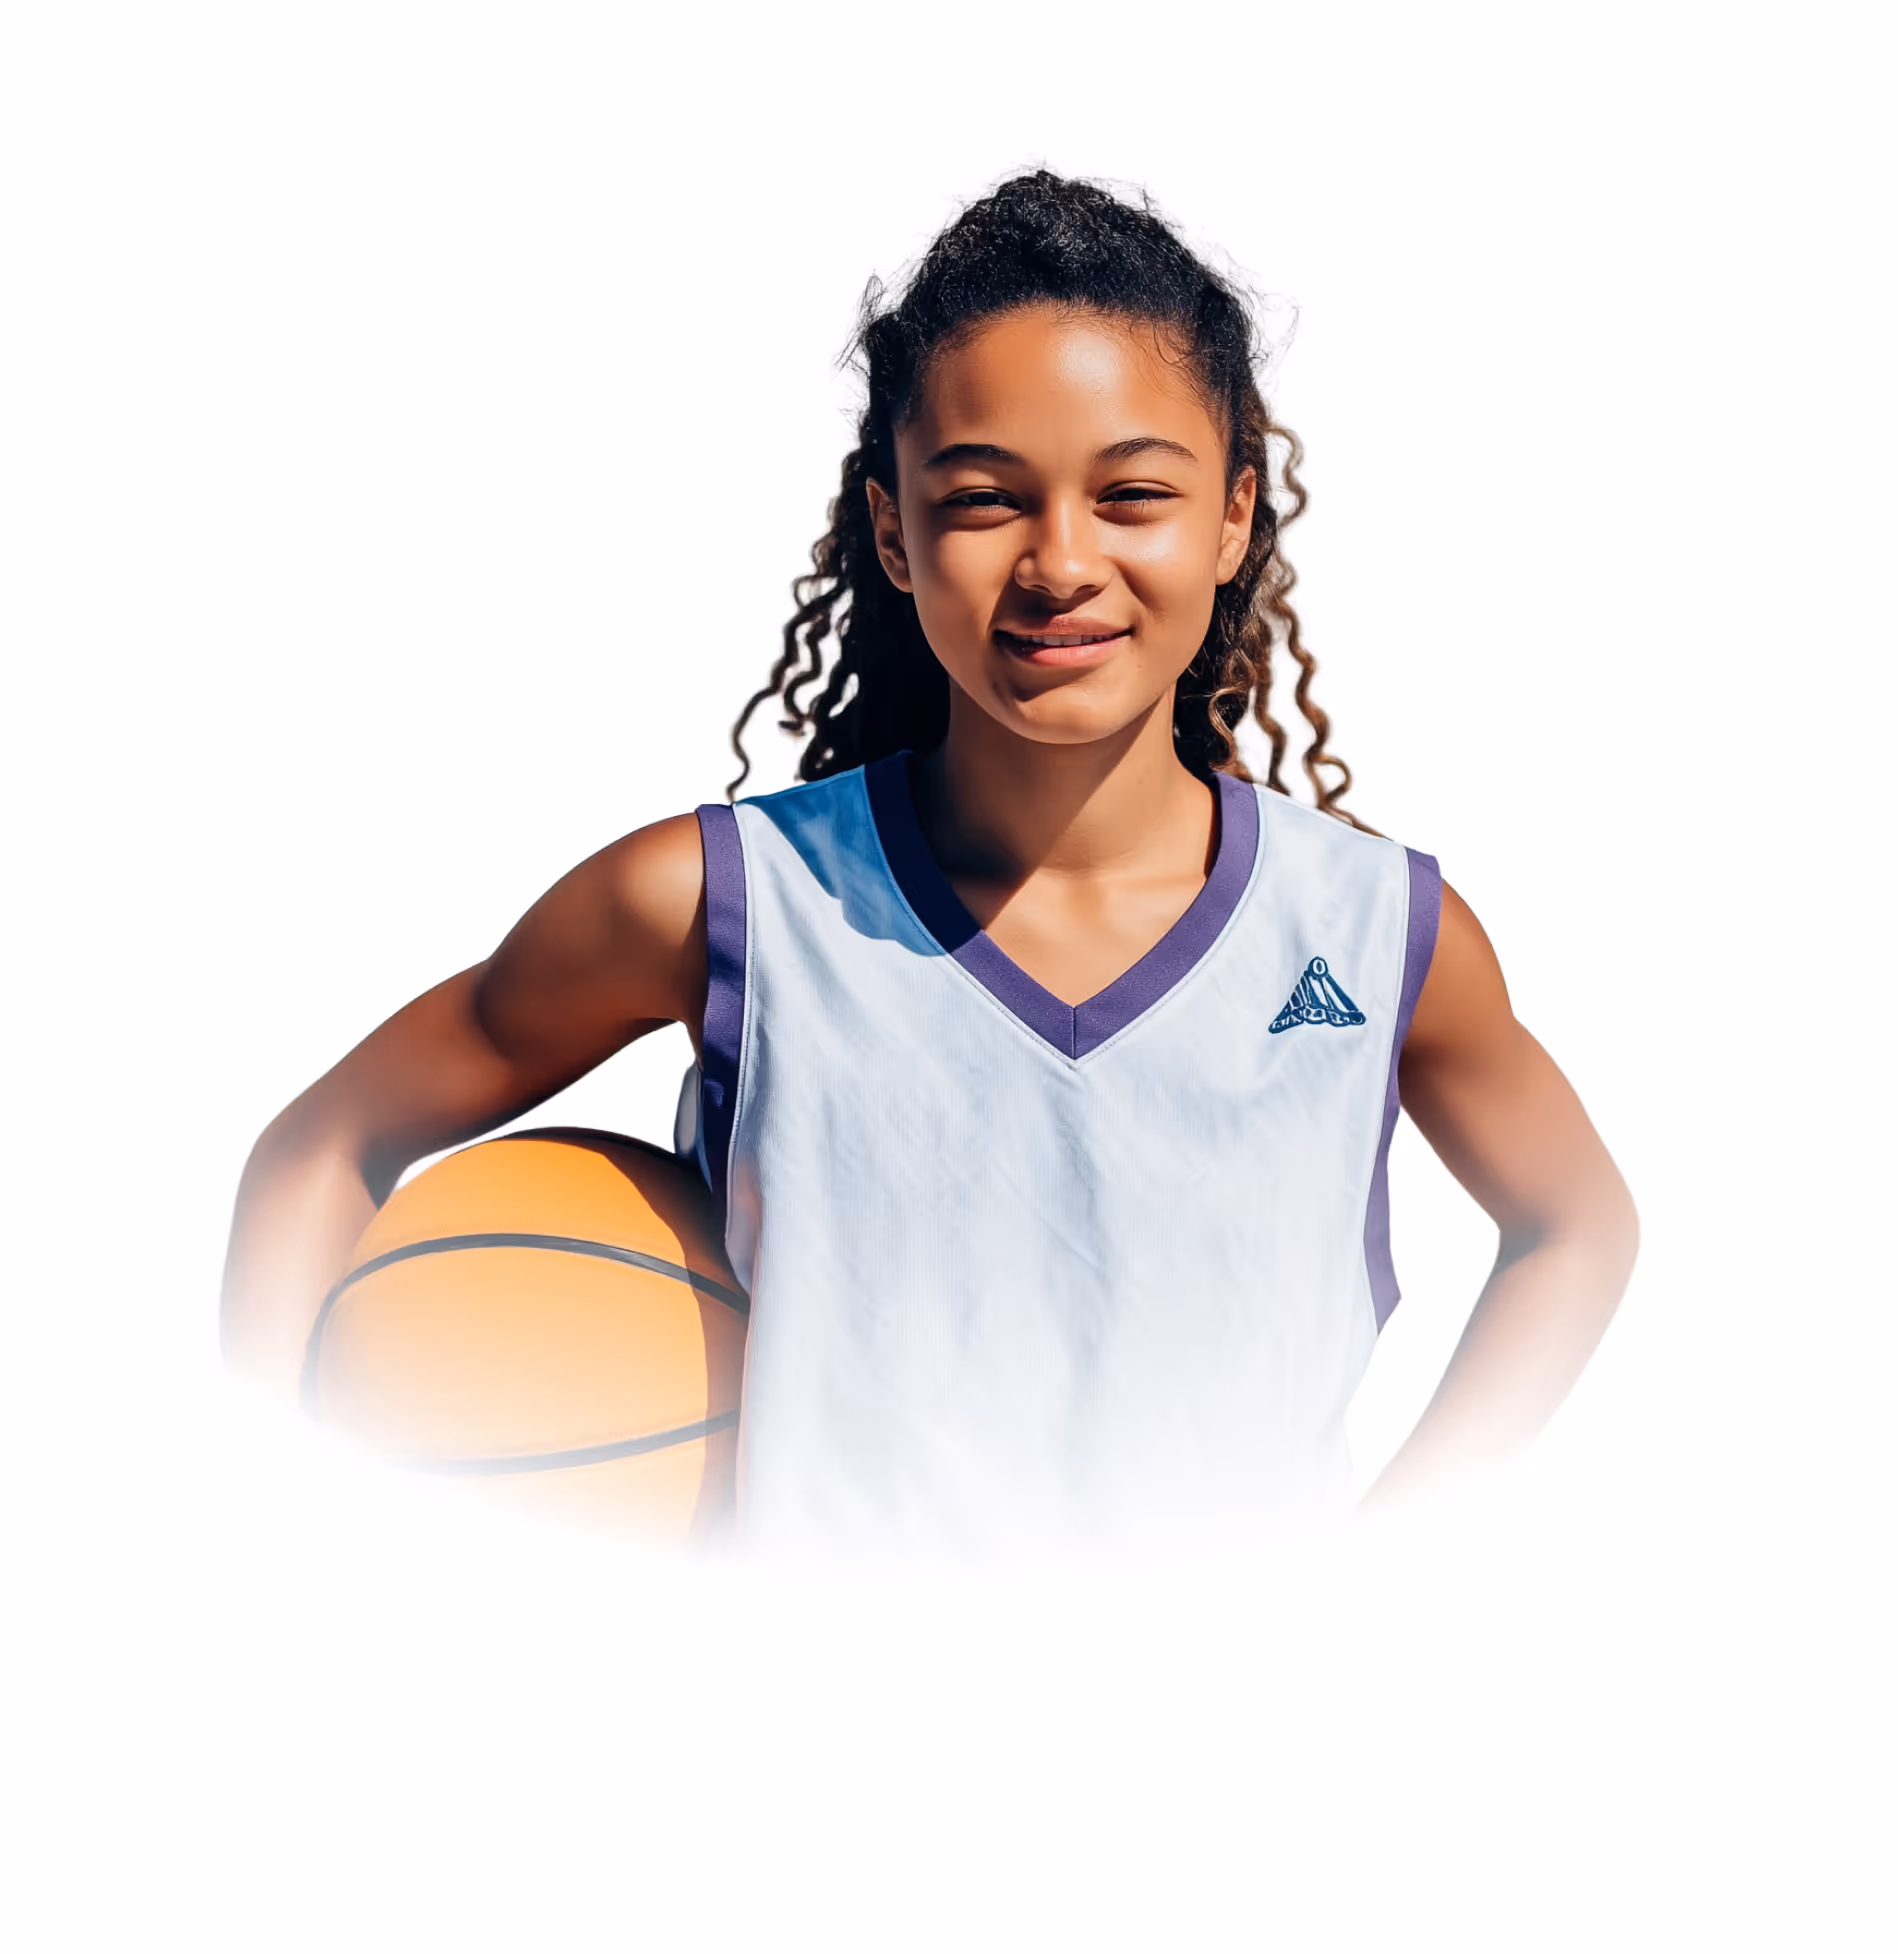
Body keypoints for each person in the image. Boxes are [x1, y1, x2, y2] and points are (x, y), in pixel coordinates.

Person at [222, 171, 1637, 1550]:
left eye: (1131, 494)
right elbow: (322, 1146)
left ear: (1231, 518)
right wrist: (272, 1520)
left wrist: (1384, 1564)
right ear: (892, 530)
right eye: (981, 500)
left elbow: (1576, 1225)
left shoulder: (1371, 931)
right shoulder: (720, 905)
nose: (1060, 561)